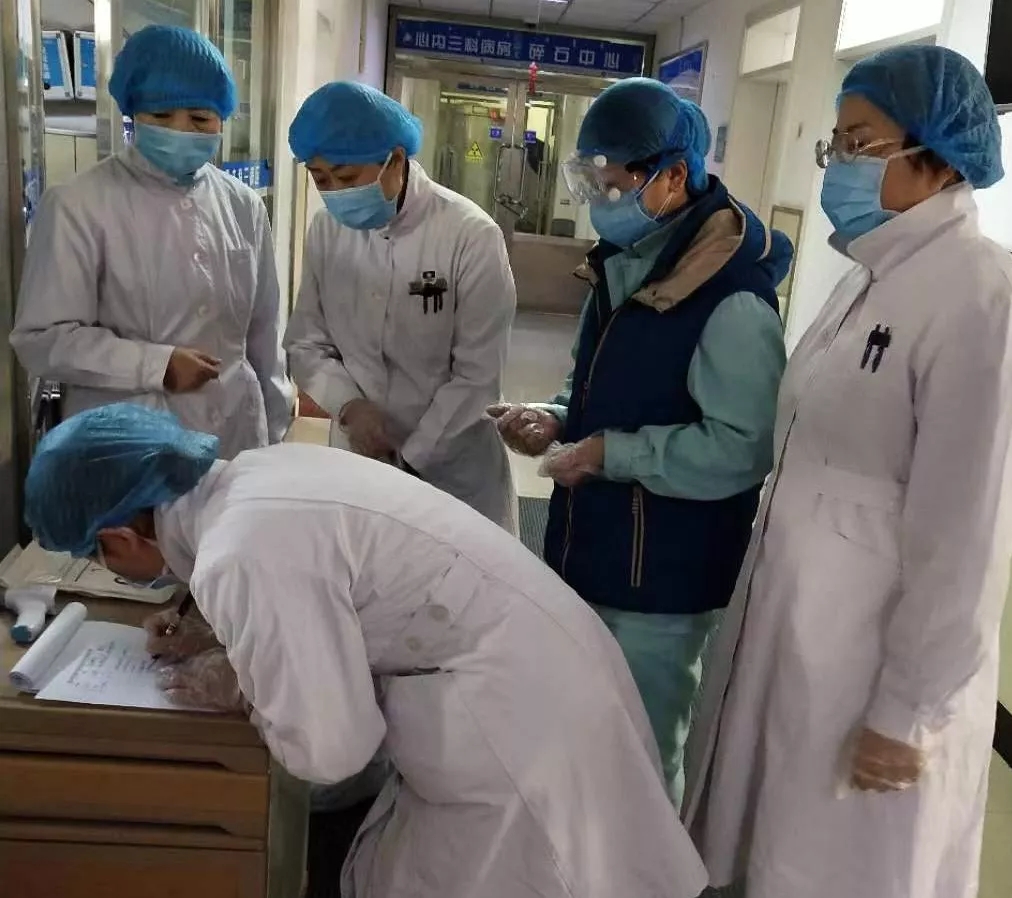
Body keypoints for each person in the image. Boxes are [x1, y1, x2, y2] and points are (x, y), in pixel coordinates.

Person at [24, 402, 710, 898]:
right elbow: (322, 580)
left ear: (118, 538)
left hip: (519, 731)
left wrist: (247, 686)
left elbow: (331, 750)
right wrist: (230, 632)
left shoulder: (238, 551)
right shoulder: (260, 473)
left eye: (100, 558)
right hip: (539, 666)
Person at [681, 46, 1012, 898]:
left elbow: (966, 542)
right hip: (793, 633)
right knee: (764, 843)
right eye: (838, 144)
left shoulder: (987, 303)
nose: (838, 164)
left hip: (868, 667)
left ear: (937, 156)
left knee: (836, 867)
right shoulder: (866, 279)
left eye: (859, 143)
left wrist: (908, 709)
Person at [490, 78, 789, 806]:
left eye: (612, 182)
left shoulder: (732, 298)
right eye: (588, 180)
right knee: (579, 741)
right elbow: (600, 389)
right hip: (593, 551)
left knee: (642, 759)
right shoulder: (623, 266)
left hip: (663, 579)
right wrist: (557, 418)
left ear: (673, 177)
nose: (599, 199)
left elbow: (741, 449)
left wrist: (611, 453)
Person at [10, 25, 292, 459]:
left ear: (222, 118)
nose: (181, 129)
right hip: (129, 447)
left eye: (200, 119)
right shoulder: (77, 204)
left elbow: (264, 335)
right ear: (134, 114)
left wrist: (274, 440)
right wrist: (155, 366)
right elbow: (42, 339)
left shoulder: (244, 206)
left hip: (235, 436)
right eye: (161, 116)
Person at [284, 82, 517, 532]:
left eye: (347, 178)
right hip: (358, 456)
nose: (334, 193)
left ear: (395, 160)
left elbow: (477, 376)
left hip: (452, 470)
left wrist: (410, 460)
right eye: (320, 179)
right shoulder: (326, 230)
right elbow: (307, 343)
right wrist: (349, 405)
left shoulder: (470, 235)